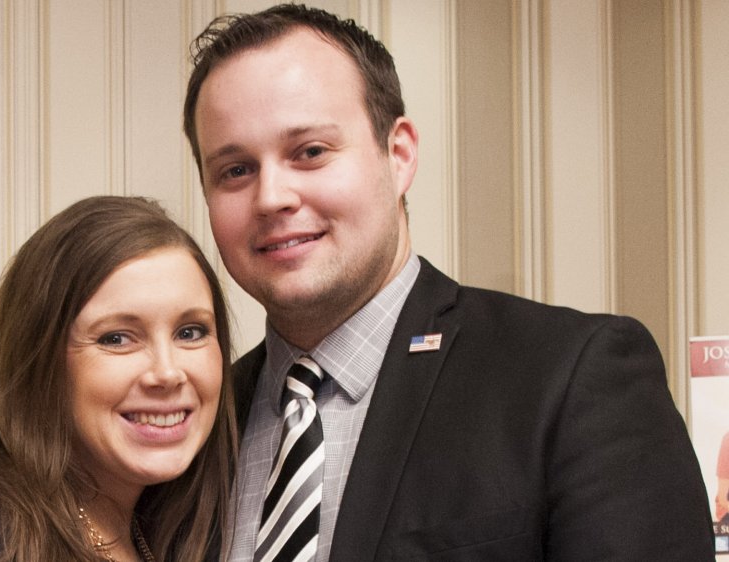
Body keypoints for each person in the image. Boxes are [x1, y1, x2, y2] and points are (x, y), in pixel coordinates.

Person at [183, 4, 714, 560]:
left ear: (399, 154)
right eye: (235, 170)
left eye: (310, 152)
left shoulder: (570, 377)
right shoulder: (198, 425)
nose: (272, 197)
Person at [0, 196, 237, 561]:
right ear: (40, 361)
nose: (168, 373)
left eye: (190, 332)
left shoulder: (160, 530)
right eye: (116, 338)